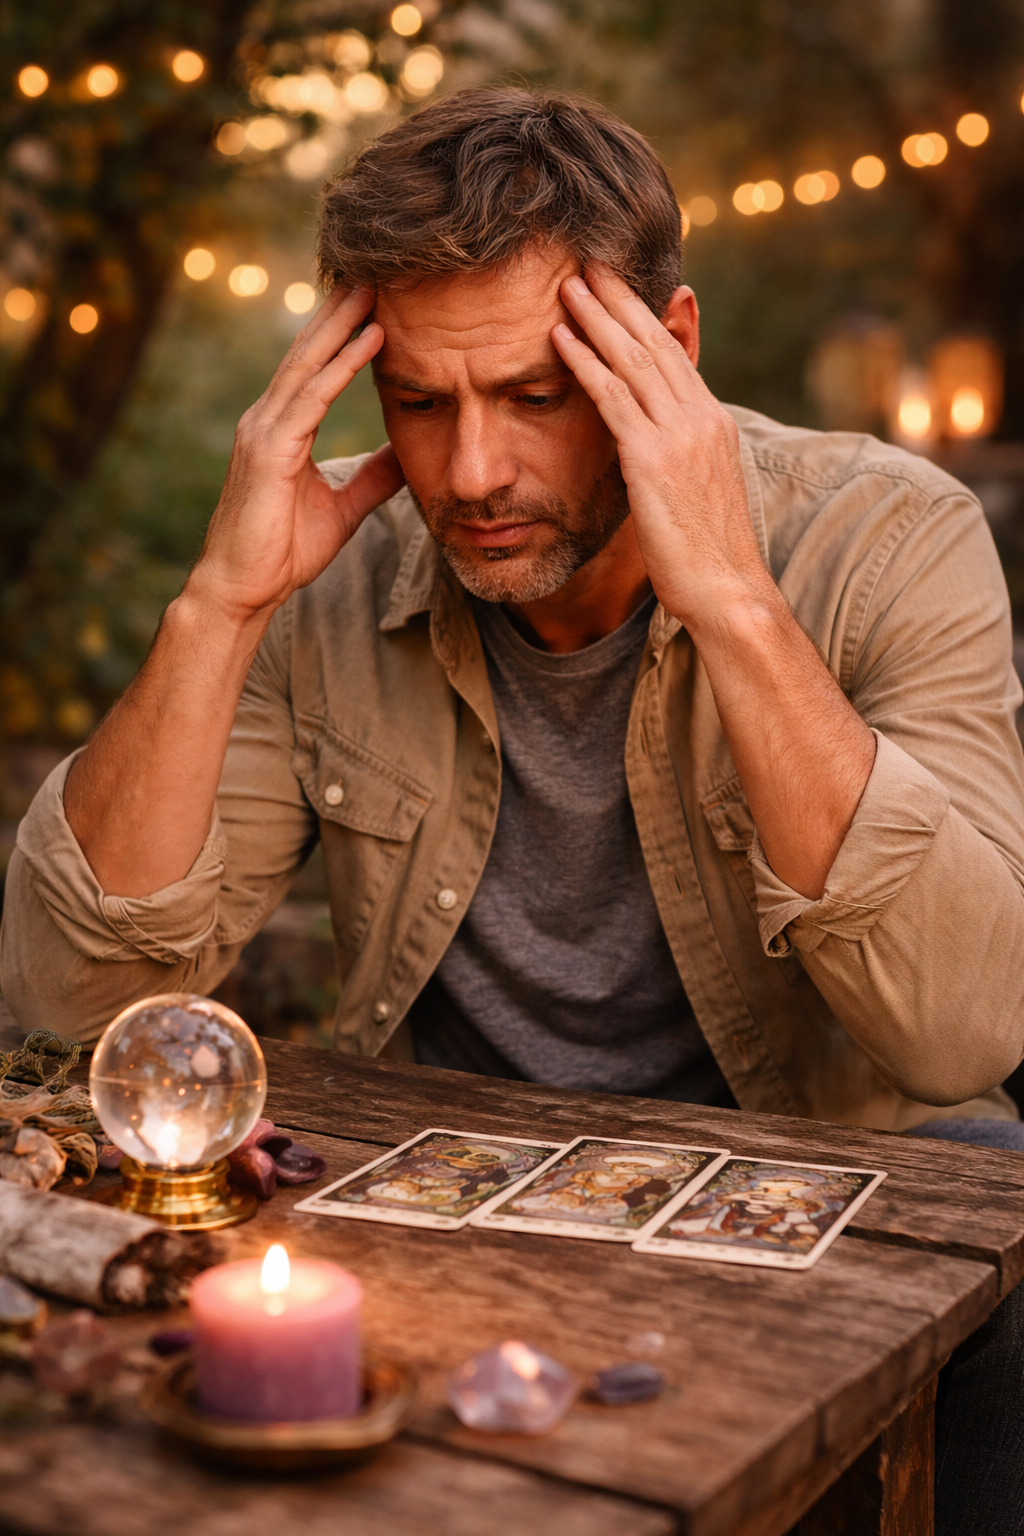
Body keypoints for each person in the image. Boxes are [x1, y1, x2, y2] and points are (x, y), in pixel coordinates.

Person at [1, 89, 1022, 1530]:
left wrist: (729, 594)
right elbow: (68, 998)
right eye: (420, 402)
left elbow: (968, 1032)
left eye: (538, 396)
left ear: (660, 353)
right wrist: (216, 607)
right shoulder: (328, 583)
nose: (471, 474)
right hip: (454, 1184)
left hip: (812, 1165)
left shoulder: (887, 537)